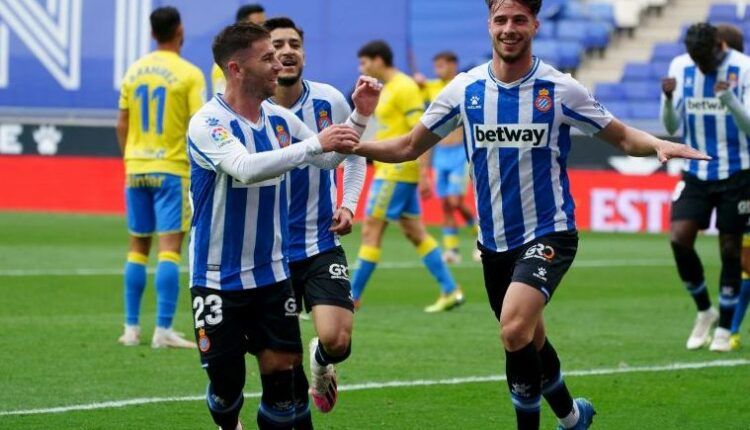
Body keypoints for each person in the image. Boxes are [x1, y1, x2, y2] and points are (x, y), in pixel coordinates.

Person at [346, 1, 709, 428]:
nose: (510, 28)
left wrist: (657, 144)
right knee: (532, 339)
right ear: (489, 26)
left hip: (550, 231)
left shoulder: (560, 90)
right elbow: (408, 146)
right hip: (495, 241)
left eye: (519, 19)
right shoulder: (465, 90)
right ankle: (573, 417)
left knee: (514, 330)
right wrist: (353, 145)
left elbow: (623, 137)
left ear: (535, 24)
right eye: (501, 20)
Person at [187, 22, 377, 430]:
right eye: (267, 57)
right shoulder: (208, 122)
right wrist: (313, 145)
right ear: (237, 69)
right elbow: (242, 167)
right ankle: (227, 418)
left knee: (284, 381)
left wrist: (360, 116)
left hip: (273, 275)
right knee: (227, 386)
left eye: (281, 54)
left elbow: (328, 160)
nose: (278, 64)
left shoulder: (278, 119)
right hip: (218, 277)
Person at [264, 16, 376, 414]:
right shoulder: (249, 110)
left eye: (294, 44)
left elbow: (354, 156)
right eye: (277, 45)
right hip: (268, 251)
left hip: (320, 242)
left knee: (337, 341)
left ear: (304, 52)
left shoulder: (330, 100)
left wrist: (347, 203)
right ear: (264, 55)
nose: (287, 51)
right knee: (278, 360)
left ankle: (323, 362)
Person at [350, 40, 464, 313]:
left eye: (364, 62)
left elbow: (419, 133)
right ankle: (451, 290)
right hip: (391, 170)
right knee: (415, 233)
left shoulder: (404, 87)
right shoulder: (388, 89)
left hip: (396, 171)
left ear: (379, 60)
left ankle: (351, 297)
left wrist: (424, 173)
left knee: (370, 230)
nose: (361, 68)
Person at [116, 6, 206, 349]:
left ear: (152, 33)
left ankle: (130, 329)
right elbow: (200, 124)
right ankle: (163, 330)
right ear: (179, 30)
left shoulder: (134, 70)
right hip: (171, 169)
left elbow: (122, 122)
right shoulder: (189, 74)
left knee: (137, 247)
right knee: (170, 249)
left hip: (136, 168)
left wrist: (130, 157)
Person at [661, 22, 750, 352]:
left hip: (737, 172)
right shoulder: (680, 67)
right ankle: (705, 310)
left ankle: (726, 328)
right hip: (695, 171)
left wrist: (728, 97)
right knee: (679, 239)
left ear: (720, 46)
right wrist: (668, 99)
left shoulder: (744, 67)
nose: (701, 67)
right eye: (695, 60)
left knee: (730, 249)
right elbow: (671, 125)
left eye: (706, 60)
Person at [416, 51, 479, 264]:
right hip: (440, 153)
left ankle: (480, 235)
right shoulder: (431, 88)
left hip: (460, 153)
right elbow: (418, 90)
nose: (438, 70)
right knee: (445, 203)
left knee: (456, 201)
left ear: (453, 65)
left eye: (442, 66)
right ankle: (452, 249)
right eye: (436, 66)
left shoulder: (463, 86)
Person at [212, 4, 266, 94]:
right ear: (243, 27)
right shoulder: (223, 64)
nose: (264, 30)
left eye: (264, 25)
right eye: (258, 25)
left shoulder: (271, 60)